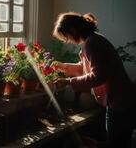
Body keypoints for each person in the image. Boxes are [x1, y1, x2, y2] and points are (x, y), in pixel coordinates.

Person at [52, 12, 136, 148]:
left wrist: (68, 82)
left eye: (66, 37)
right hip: (122, 100)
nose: (67, 40)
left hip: (121, 103)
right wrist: (64, 66)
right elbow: (86, 68)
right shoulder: (93, 40)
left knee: (117, 143)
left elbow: (98, 76)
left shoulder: (92, 43)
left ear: (73, 30)